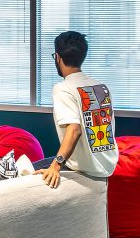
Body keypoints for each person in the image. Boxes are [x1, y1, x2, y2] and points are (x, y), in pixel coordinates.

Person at [36, 31, 118, 189]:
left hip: (84, 168)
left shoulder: (63, 88)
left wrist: (56, 166)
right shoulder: (101, 87)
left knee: (18, 172)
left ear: (58, 57)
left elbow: (74, 130)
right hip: (107, 165)